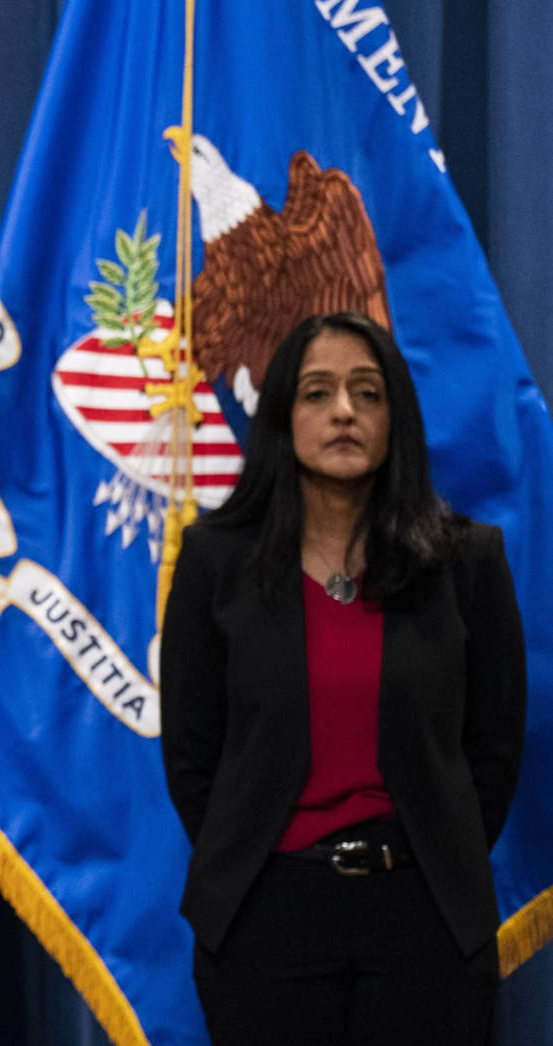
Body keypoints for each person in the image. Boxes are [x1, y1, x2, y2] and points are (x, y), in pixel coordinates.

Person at [161, 311, 526, 1044]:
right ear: (282, 418)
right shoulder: (214, 562)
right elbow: (192, 755)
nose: (343, 413)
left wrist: (431, 854)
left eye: (367, 393)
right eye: (317, 393)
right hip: (266, 916)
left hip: (425, 916)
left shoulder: (467, 562)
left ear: (397, 418)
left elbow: (494, 749)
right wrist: (262, 866)